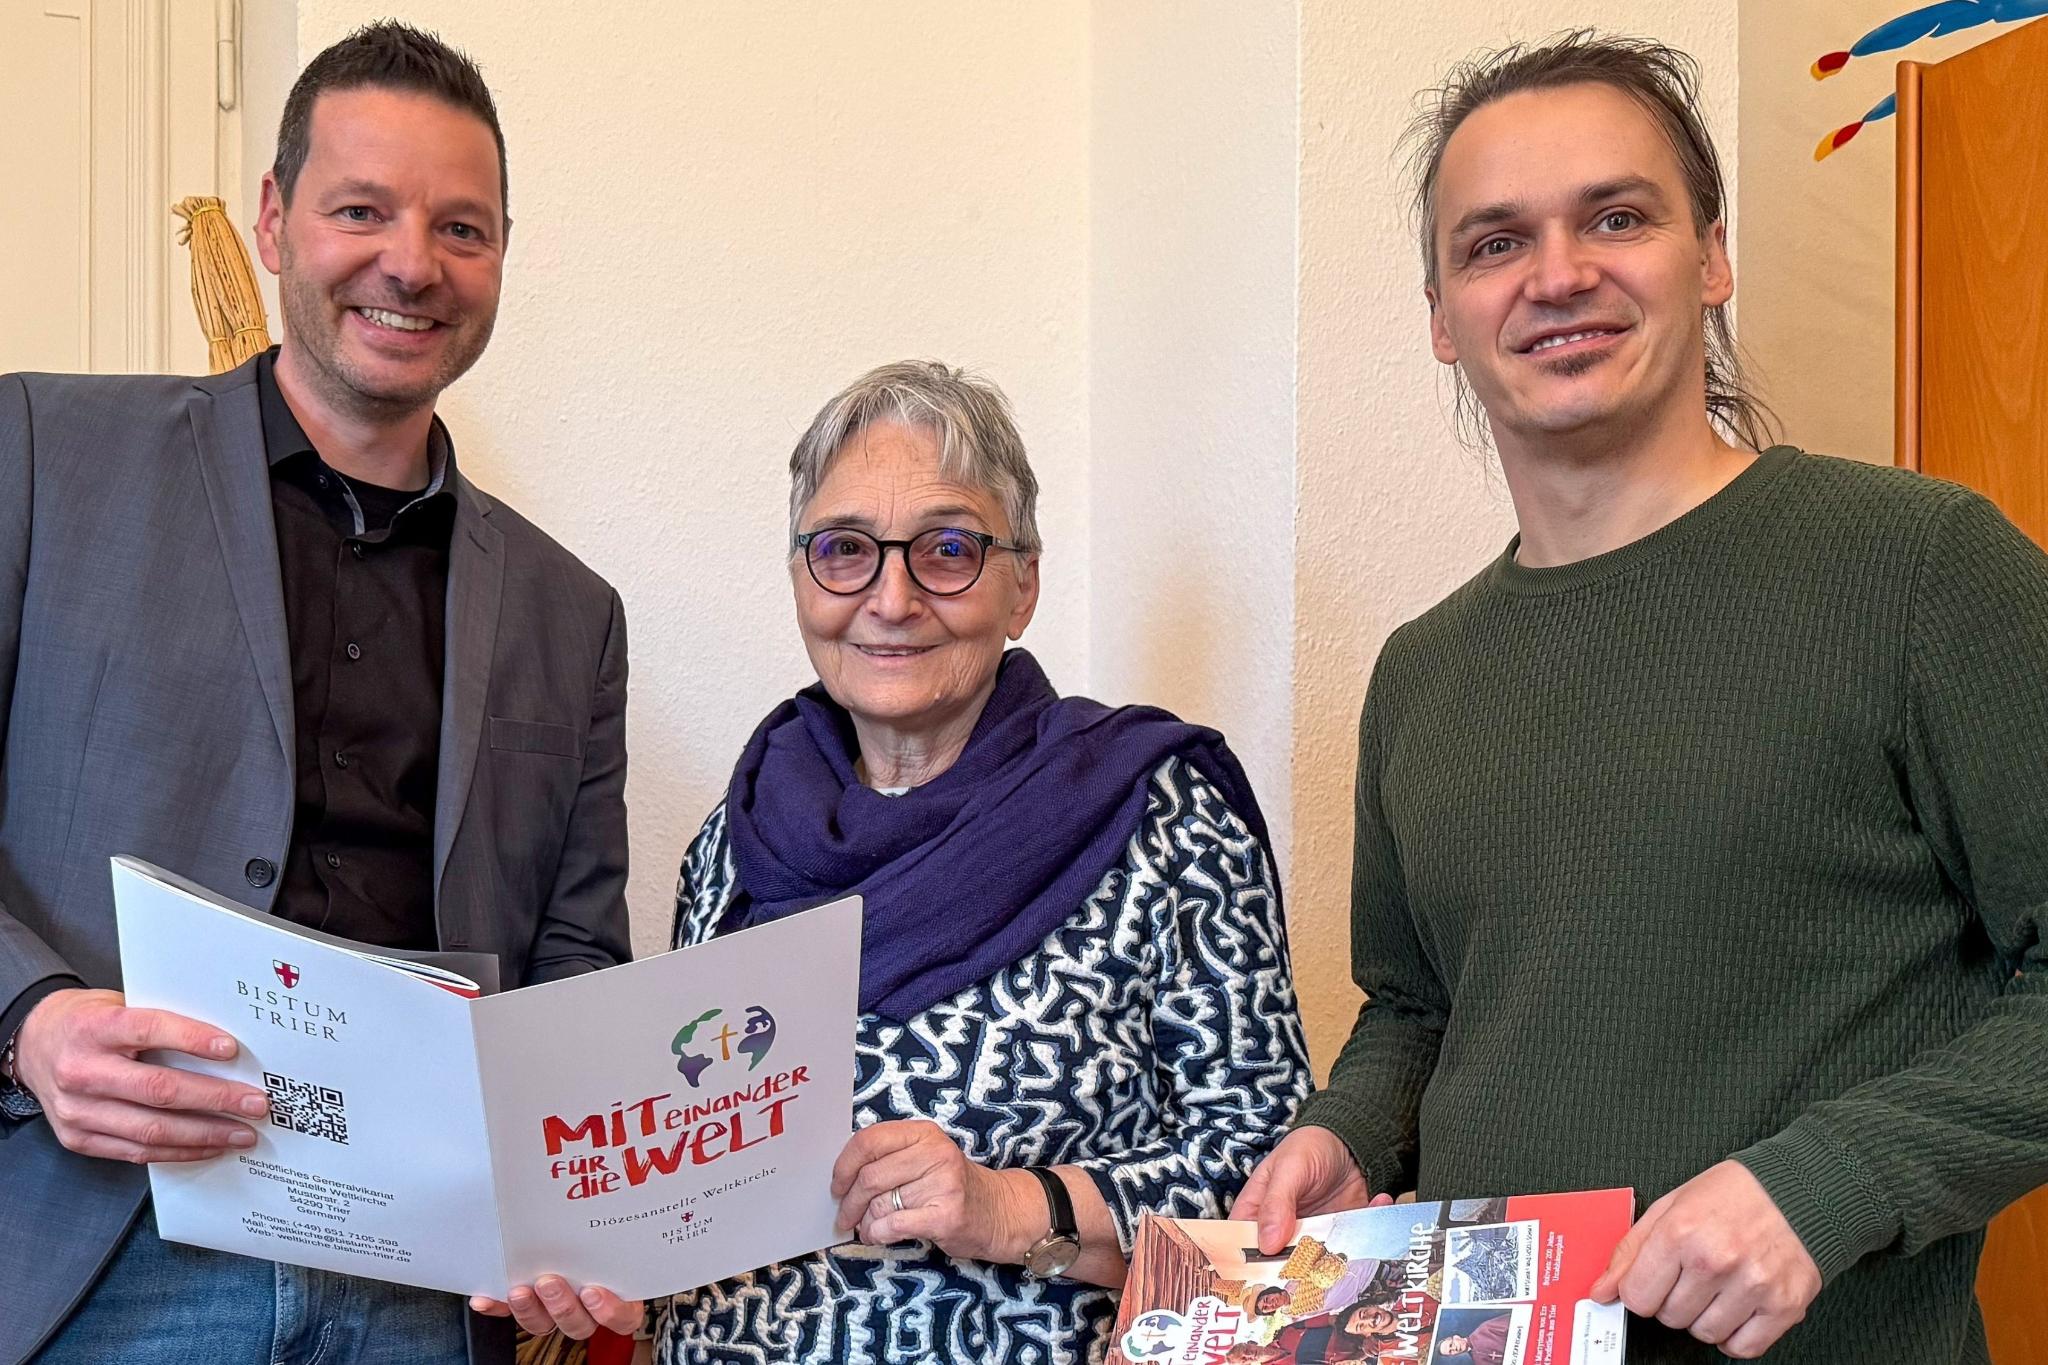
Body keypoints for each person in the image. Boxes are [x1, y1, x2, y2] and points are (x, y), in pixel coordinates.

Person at [1232, 29, 2048, 1365]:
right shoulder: (1422, 672)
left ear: (1710, 256)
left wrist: (1831, 1179)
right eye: (1495, 242)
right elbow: (1418, 1009)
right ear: (1440, 315)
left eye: (1616, 217)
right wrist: (1350, 1129)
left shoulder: (1919, 568)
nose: (1558, 274)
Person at [0, 23, 633, 1364]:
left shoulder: (573, 614)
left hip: (425, 1293)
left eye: (461, 228)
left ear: (502, 255)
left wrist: (588, 1213)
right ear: (274, 220)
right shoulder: (41, 453)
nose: (412, 262)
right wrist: (25, 1023)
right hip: (94, 1259)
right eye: (362, 210)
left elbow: (577, 963)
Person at [637, 360, 1313, 1362]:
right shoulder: (732, 843)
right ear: (800, 578)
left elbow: (1269, 1188)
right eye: (845, 550)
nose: (892, 598)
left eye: (947, 550)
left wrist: (1009, 1206)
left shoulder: (1157, 815)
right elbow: (676, 1153)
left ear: (1022, 585)